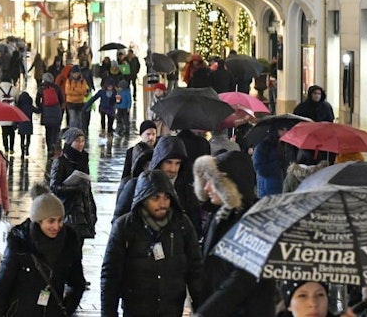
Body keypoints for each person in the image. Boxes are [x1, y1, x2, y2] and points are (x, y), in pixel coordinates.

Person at [101, 170, 203, 317]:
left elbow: (195, 270)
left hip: (172, 310)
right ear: (143, 199)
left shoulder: (182, 224)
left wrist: (202, 308)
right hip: (136, 309)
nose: (162, 204)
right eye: (156, 198)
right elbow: (110, 275)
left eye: (166, 197)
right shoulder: (125, 226)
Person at [192, 150, 276, 317]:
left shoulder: (255, 223)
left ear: (229, 185)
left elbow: (241, 280)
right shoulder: (219, 216)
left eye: (212, 182)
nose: (207, 187)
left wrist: (205, 313)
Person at [0, 182, 86, 316]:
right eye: (51, 221)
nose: (56, 226)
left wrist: (67, 309)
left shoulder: (69, 242)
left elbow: (77, 283)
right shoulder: (20, 243)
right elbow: (0, 290)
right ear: (39, 221)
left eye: (60, 220)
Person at [49, 128, 97, 265]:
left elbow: (87, 187)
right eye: (77, 141)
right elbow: (54, 187)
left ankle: (76, 276)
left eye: (83, 141)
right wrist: (75, 188)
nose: (81, 144)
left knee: (79, 244)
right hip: (68, 209)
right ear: (70, 142)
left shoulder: (83, 159)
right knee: (69, 245)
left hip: (83, 209)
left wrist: (91, 207)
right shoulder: (60, 162)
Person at [252, 125, 292, 197]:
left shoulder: (284, 145)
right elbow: (259, 168)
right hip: (267, 187)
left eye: (287, 129)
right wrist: (277, 163)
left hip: (280, 186)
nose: (285, 132)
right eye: (282, 130)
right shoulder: (263, 145)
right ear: (276, 130)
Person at [36, 73, 65, 150]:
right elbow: (61, 100)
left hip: (46, 112)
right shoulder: (56, 87)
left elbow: (37, 101)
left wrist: (41, 107)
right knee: (55, 130)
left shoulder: (41, 88)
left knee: (48, 131)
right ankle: (53, 144)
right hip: (56, 111)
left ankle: (49, 147)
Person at [0, 74, 18, 154]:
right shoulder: (15, 89)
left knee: (4, 132)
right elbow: (17, 101)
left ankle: (6, 149)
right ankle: (11, 148)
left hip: (2, 114)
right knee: (11, 132)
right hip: (12, 113)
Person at [15, 88, 36, 159]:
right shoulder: (30, 106)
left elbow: (16, 118)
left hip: (21, 125)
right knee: (28, 138)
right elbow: (38, 111)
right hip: (29, 125)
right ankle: (27, 149)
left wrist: (15, 125)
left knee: (22, 139)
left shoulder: (19, 107)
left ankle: (22, 152)